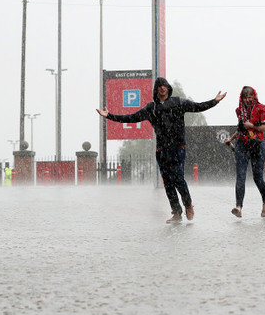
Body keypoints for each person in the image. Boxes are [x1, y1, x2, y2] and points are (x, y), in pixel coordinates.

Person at [97, 77, 226, 223]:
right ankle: (176, 212)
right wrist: (109, 116)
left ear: (168, 88)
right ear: (156, 89)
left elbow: (198, 107)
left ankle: (188, 204)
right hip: (162, 149)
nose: (162, 88)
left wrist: (215, 101)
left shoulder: (178, 102)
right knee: (168, 181)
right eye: (159, 86)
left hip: (178, 146)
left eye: (164, 85)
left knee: (178, 177)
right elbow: (131, 118)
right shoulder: (151, 108)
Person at [224, 86, 265, 218]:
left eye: (250, 97)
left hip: (256, 145)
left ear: (254, 96)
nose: (248, 100)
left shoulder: (262, 108)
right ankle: (238, 207)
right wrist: (231, 139)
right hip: (241, 145)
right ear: (242, 98)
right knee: (240, 176)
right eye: (245, 97)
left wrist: (252, 126)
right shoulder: (239, 110)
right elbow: (241, 128)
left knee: (258, 178)